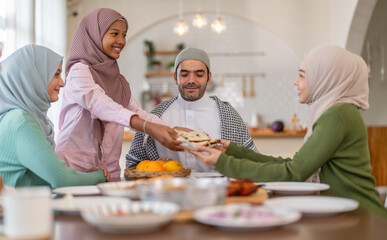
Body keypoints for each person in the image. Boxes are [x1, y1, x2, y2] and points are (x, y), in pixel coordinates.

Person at [188, 45, 387, 217]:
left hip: (363, 217)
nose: (295, 81)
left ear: (324, 77)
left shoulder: (337, 115)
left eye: (302, 74)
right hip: (347, 212)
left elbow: (293, 173)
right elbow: (294, 166)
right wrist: (233, 151)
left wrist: (222, 162)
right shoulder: (337, 112)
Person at [55, 8, 183, 180]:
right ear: (94, 34)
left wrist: (173, 131)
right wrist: (149, 127)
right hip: (74, 166)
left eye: (124, 35)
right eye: (115, 33)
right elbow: (100, 105)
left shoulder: (117, 80)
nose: (121, 41)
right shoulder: (79, 71)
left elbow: (138, 113)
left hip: (109, 170)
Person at [126, 47, 257, 172]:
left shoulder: (228, 115)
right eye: (184, 74)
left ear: (209, 77)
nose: (191, 80)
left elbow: (252, 161)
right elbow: (133, 163)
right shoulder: (155, 116)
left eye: (199, 75)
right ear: (175, 78)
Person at [0, 44, 109, 188]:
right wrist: (100, 176)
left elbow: (43, 179)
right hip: (25, 209)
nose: (62, 83)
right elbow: (63, 181)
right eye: (56, 74)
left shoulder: (15, 118)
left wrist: (83, 176)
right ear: (33, 77)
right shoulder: (21, 122)